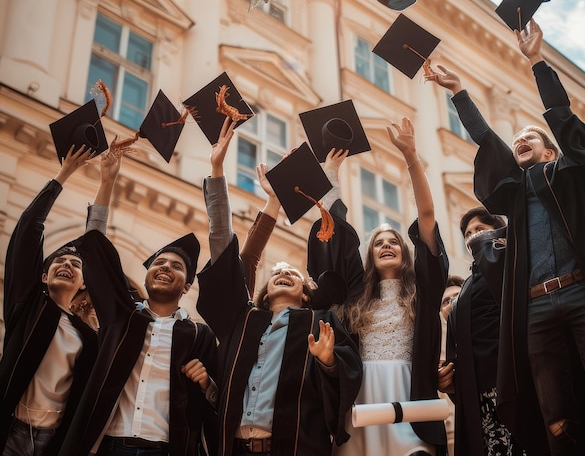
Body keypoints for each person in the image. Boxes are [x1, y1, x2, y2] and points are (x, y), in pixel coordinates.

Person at [428, 18, 585, 455]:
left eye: (530, 137)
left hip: (579, 295)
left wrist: (537, 61)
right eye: (516, 138)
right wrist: (458, 92)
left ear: (552, 151)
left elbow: (570, 127)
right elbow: (487, 140)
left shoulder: (572, 178)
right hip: (536, 306)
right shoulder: (514, 196)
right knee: (553, 419)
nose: (519, 139)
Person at [196, 117, 363, 456]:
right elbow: (240, 255)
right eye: (277, 272)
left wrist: (329, 361)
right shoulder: (242, 322)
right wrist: (268, 199)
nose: (283, 270)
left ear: (306, 292)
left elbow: (348, 374)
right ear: (264, 291)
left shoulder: (320, 323)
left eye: (292, 272)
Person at [59, 148, 219, 456]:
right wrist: (106, 181)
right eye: (159, 262)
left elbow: (221, 399)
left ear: (186, 287)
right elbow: (95, 252)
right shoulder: (120, 316)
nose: (165, 267)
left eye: (176, 266)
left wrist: (206, 382)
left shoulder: (199, 336)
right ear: (146, 277)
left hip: (166, 450)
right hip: (109, 446)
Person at [308, 117, 449, 456]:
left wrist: (412, 157)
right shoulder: (356, 296)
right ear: (369, 256)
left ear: (405, 251)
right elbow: (335, 230)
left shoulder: (423, 290)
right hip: (361, 395)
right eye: (378, 243)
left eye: (394, 241)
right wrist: (331, 175)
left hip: (411, 395)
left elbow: (427, 217)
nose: (386, 245)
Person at [0, 144, 99, 456]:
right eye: (59, 260)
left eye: (76, 264)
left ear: (83, 284)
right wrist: (63, 174)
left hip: (50, 442)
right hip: (9, 430)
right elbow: (28, 230)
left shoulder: (86, 337)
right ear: (43, 276)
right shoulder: (26, 306)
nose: (67, 264)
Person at [438, 206, 528, 456]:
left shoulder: (516, 267)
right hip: (486, 404)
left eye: (480, 229)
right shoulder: (467, 288)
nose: (473, 237)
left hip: (523, 389)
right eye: (468, 233)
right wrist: (451, 381)